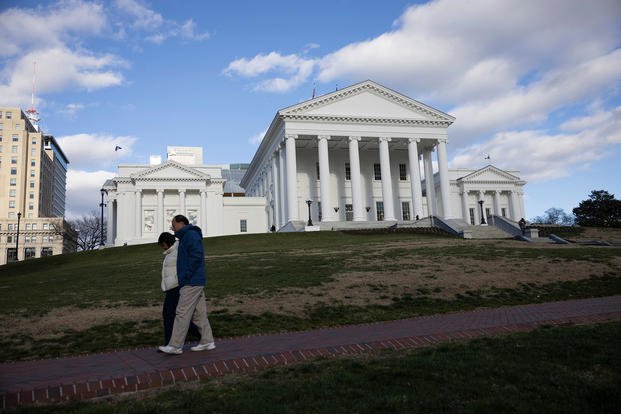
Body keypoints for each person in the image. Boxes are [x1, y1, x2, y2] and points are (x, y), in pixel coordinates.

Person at [159, 215, 216, 355]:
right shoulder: (185, 237)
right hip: (194, 280)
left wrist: (186, 275)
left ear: (181, 223)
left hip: (191, 281)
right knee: (199, 314)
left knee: (182, 312)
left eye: (174, 224)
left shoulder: (190, 235)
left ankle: (175, 345)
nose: (172, 228)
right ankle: (207, 341)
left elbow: (197, 256)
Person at [157, 232, 201, 346]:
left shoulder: (178, 251)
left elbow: (186, 267)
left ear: (167, 242)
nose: (162, 247)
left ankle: (170, 343)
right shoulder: (171, 252)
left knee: (169, 315)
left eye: (162, 244)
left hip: (176, 287)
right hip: (171, 288)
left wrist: (178, 280)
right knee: (178, 315)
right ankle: (201, 334)